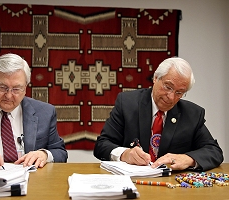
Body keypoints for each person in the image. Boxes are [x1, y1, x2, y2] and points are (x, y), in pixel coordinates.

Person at [93, 57, 223, 171]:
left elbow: (214, 151)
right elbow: (102, 145)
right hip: (132, 182)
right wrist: (125, 154)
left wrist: (188, 159)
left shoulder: (192, 114)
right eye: (168, 87)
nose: (171, 97)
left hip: (172, 188)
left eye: (179, 92)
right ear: (156, 78)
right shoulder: (127, 103)